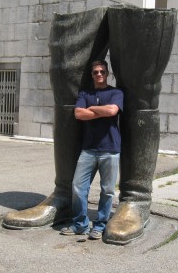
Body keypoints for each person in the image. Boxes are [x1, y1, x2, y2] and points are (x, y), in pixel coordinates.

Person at [60, 60, 123, 240]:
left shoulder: (115, 92)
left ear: (107, 73)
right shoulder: (85, 93)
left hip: (110, 149)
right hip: (88, 149)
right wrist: (99, 111)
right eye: (95, 72)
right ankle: (80, 225)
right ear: (92, 75)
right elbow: (79, 114)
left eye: (102, 71)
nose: (99, 75)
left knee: (107, 190)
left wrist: (92, 109)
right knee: (78, 188)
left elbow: (112, 111)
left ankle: (100, 225)